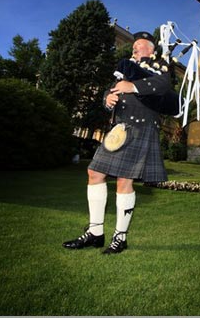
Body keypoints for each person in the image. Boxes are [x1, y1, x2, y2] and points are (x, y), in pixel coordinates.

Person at [62, 31, 171, 255]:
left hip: (141, 128)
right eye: (134, 45)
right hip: (118, 130)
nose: (135, 48)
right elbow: (110, 91)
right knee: (94, 173)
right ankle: (95, 233)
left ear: (151, 49)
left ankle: (120, 238)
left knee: (124, 181)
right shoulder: (124, 68)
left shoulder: (159, 64)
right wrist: (108, 99)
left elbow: (163, 85)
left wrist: (132, 87)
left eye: (139, 45)